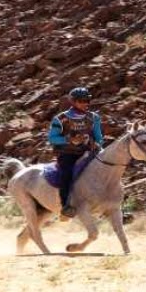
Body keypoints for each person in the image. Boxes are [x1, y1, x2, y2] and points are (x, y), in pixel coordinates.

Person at [47, 87, 103, 218]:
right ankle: (66, 206)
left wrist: (97, 143)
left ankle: (118, 204)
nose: (86, 103)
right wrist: (69, 139)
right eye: (82, 101)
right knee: (66, 174)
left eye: (87, 100)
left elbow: (99, 137)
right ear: (73, 102)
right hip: (68, 154)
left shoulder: (94, 117)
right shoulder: (60, 119)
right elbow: (52, 138)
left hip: (89, 152)